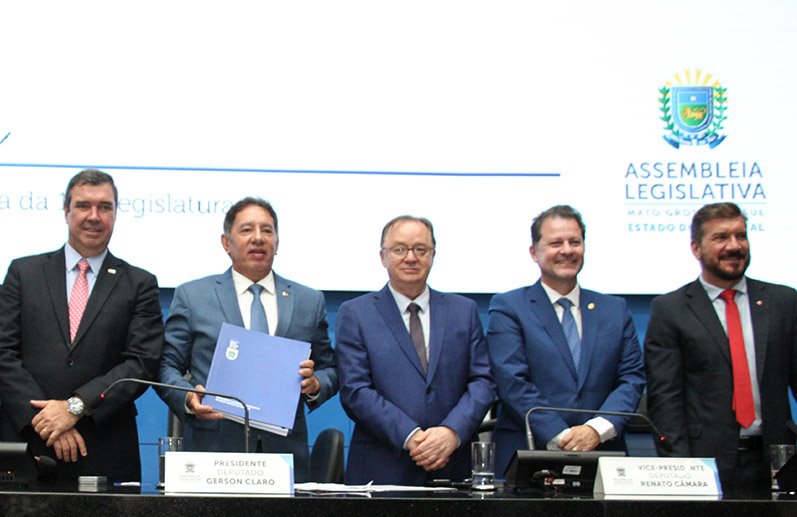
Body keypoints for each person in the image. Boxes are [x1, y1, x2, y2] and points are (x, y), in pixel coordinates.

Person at [0, 169, 163, 482]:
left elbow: (140, 364)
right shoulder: (24, 273)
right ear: (66, 211)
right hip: (28, 441)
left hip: (104, 445)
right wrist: (47, 421)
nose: (93, 216)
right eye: (83, 206)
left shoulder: (139, 284)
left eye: (105, 207)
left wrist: (76, 407)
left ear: (115, 214)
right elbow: (0, 353)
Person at [158, 197, 338, 477]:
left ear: (277, 242)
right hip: (213, 452)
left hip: (284, 454)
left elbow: (330, 369)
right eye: (246, 230)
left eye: (267, 230)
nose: (258, 238)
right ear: (226, 242)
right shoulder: (193, 296)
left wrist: (315, 385)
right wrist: (188, 396)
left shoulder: (308, 301)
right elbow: (166, 364)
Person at [645, 202, 797, 499]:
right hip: (705, 465)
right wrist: (680, 470)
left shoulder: (784, 302)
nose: (734, 246)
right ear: (696, 248)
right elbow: (665, 399)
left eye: (741, 236)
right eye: (721, 237)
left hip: (778, 463)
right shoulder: (671, 309)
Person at [487, 205, 645, 475]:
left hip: (605, 457)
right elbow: (512, 381)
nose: (567, 250)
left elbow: (631, 378)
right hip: (529, 456)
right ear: (534, 252)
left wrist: (596, 430)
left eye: (575, 242)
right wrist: (562, 436)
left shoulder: (615, 309)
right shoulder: (509, 307)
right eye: (555, 243)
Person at [337, 215, 495, 485]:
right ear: (383, 256)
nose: (411, 257)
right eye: (399, 249)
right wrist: (412, 437)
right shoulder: (356, 313)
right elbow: (356, 390)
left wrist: (450, 432)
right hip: (382, 469)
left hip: (453, 467)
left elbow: (482, 382)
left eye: (420, 249)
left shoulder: (463, 311)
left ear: (433, 255)